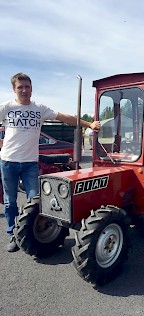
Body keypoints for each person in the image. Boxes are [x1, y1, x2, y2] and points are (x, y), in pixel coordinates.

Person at [0, 72, 100, 252]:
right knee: (10, 201)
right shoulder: (6, 107)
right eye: (20, 87)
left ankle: (33, 233)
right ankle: (12, 234)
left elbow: (65, 118)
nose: (24, 90)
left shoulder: (39, 108)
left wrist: (89, 124)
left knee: (36, 199)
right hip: (8, 161)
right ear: (14, 89)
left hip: (31, 162)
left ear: (31, 88)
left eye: (27, 87)